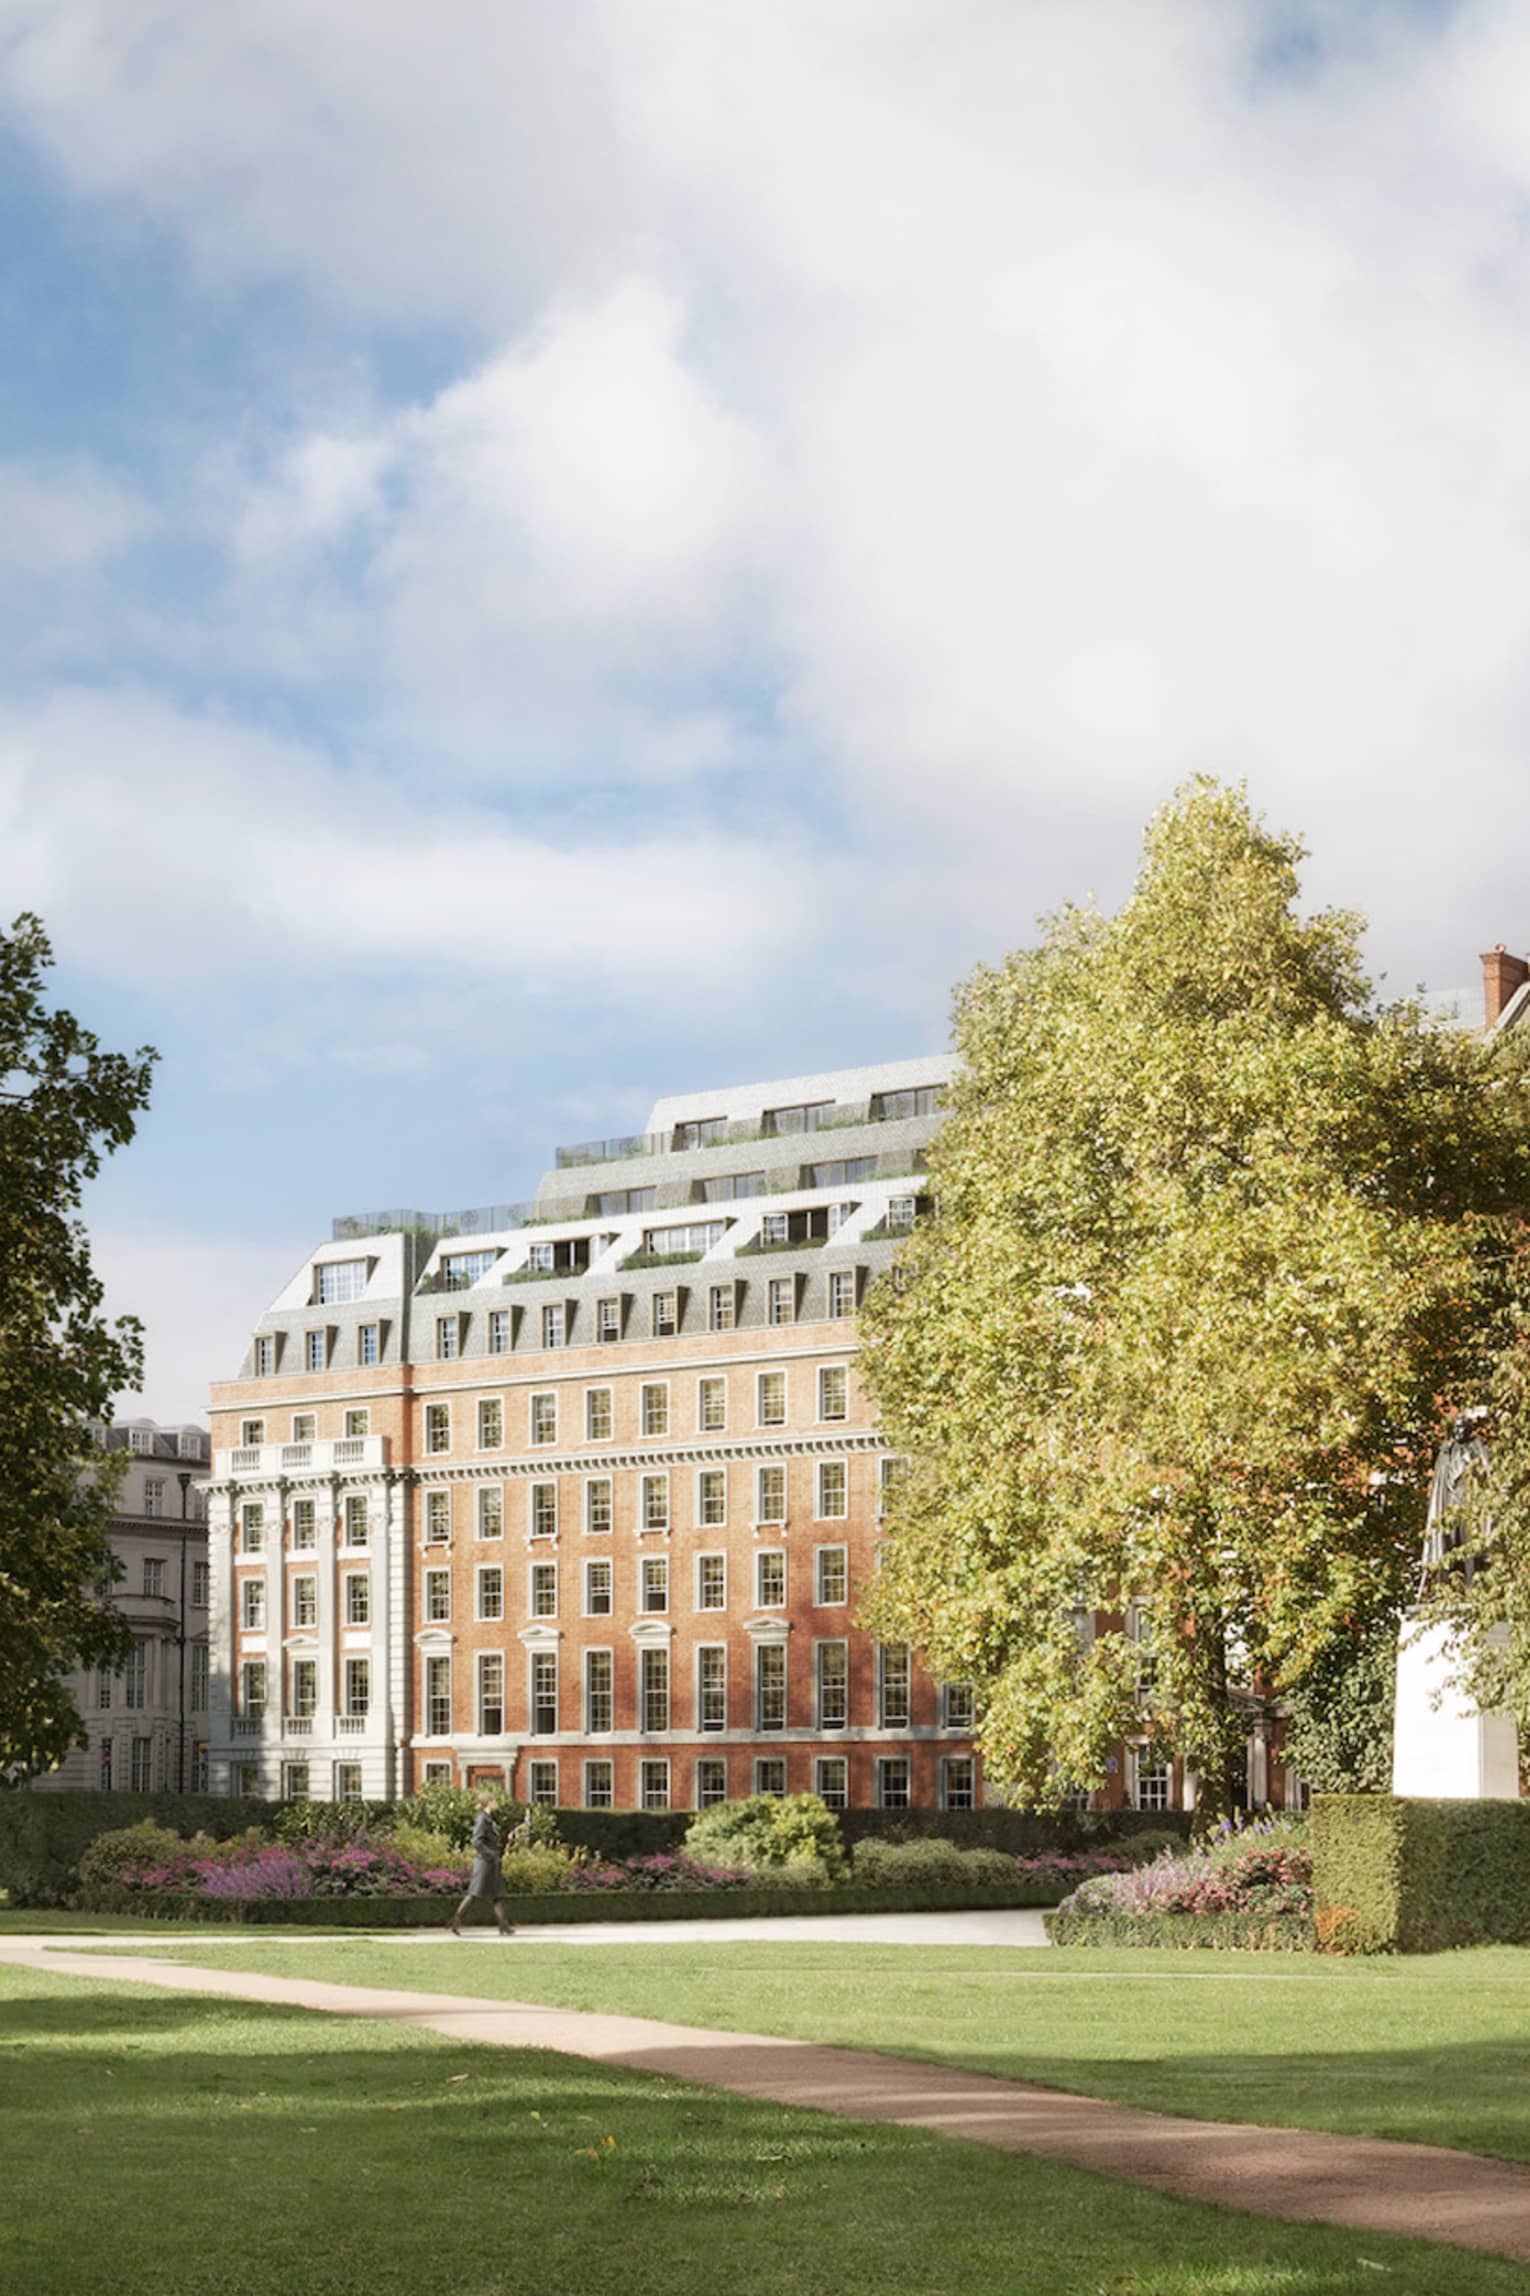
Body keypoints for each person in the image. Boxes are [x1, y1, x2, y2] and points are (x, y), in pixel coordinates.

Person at [451, 1788, 515, 1937]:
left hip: (491, 1863)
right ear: (489, 1803)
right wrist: (492, 1855)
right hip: (485, 1863)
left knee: (497, 1895)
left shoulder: (488, 1818)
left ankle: (503, 1926)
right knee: (473, 1893)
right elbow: (476, 1842)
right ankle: (455, 1922)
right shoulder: (482, 1819)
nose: (496, 1803)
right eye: (494, 1800)